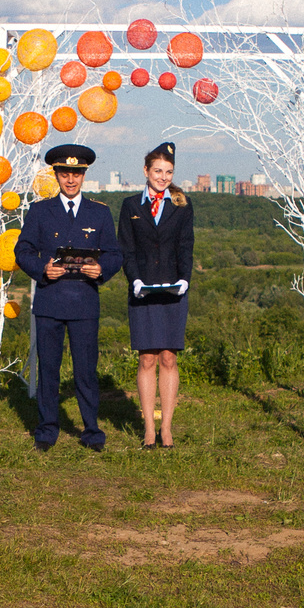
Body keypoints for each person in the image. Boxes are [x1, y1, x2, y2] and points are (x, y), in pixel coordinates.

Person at [14, 144, 123, 453]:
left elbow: (116, 253)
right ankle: (47, 431)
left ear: (84, 175)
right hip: (50, 301)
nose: (71, 179)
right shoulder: (40, 211)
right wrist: (41, 269)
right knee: (48, 370)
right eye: (64, 173)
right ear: (56, 174)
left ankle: (91, 432)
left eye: (76, 173)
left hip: (84, 303)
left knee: (86, 372)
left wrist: (101, 269)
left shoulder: (99, 212)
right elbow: (22, 250)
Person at [117, 141, 192, 448]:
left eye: (169, 172)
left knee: (169, 357)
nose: (163, 177)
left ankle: (167, 428)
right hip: (143, 290)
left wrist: (185, 279)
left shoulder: (182, 204)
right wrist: (134, 280)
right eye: (158, 171)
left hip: (173, 289)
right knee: (147, 358)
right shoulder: (131, 206)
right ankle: (149, 428)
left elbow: (186, 246)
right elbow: (127, 249)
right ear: (146, 171)